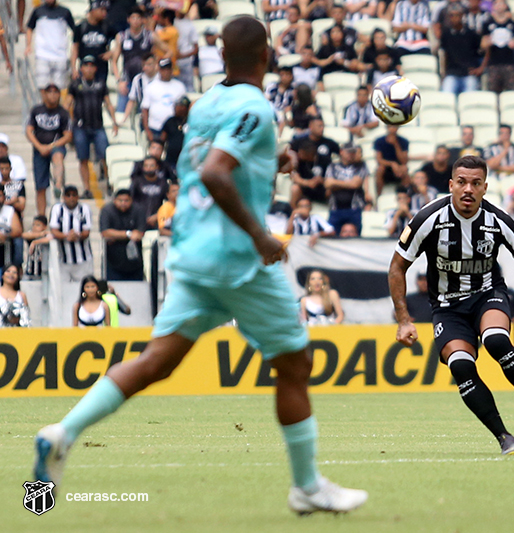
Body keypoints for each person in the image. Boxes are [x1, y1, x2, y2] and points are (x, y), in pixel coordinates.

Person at [33, 17, 367, 514]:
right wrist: (261, 237)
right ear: (267, 57)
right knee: (295, 363)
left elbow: (198, 168)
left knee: (155, 362)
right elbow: (214, 173)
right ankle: (306, 487)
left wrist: (269, 162)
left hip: (191, 257)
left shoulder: (208, 102)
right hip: (237, 261)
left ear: (223, 57)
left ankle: (62, 432)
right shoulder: (256, 104)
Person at [388, 155, 514, 456]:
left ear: (485, 187)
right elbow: (397, 267)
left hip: (487, 295)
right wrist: (404, 319)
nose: (468, 189)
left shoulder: (497, 220)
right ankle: (503, 436)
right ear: (450, 185)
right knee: (461, 364)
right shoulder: (428, 219)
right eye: (461, 182)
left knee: (497, 341)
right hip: (447, 307)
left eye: (475, 183)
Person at [66, 55, 119, 199]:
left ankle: (110, 183)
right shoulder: (75, 85)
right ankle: (87, 188)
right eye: (86, 65)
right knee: (83, 159)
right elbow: (67, 104)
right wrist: (68, 125)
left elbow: (108, 103)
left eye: (91, 66)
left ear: (95, 68)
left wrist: (114, 121)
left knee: (105, 156)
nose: (89, 69)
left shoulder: (100, 84)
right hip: (80, 126)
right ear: (81, 68)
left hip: (97, 126)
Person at [111, 6, 159, 113]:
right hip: (127, 80)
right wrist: (119, 81)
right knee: (121, 111)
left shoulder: (150, 36)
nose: (136, 21)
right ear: (128, 19)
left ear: (142, 20)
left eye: (138, 18)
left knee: (143, 112)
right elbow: (114, 60)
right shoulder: (122, 36)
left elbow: (166, 51)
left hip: (145, 80)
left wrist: (156, 66)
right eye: (133, 18)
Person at [26, 0, 76, 95]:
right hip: (42, 55)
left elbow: (74, 29)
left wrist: (74, 46)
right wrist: (28, 45)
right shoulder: (38, 11)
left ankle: (56, 108)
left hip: (60, 55)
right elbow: (29, 28)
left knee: (59, 86)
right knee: (42, 85)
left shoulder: (65, 12)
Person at [50, 185, 94, 283]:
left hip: (84, 259)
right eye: (68, 195)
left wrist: (77, 236)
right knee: (63, 290)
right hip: (63, 260)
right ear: (63, 197)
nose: (71, 198)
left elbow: (86, 232)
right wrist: (66, 236)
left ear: (78, 197)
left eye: (74, 195)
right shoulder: (57, 209)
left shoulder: (85, 208)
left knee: (85, 287)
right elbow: (54, 230)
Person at [99, 189, 146, 281]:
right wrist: (128, 234)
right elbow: (105, 233)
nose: (123, 203)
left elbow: (139, 234)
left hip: (135, 262)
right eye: (120, 200)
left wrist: (115, 235)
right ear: (114, 200)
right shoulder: (107, 210)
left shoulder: (138, 210)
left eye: (126, 200)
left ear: (131, 200)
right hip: (112, 261)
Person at [440, 5, 483, 96]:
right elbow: (444, 54)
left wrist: (480, 69)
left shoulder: (471, 34)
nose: (454, 18)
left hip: (469, 74)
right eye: (452, 15)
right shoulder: (446, 34)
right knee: (446, 95)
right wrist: (443, 74)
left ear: (462, 16)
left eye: (457, 15)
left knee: (470, 98)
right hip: (452, 73)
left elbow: (482, 52)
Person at [325, 143, 368, 235]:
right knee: (332, 236)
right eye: (349, 152)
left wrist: (335, 183)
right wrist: (348, 183)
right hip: (335, 209)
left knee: (355, 236)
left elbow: (356, 184)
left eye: (353, 152)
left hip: (354, 209)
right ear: (341, 152)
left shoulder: (360, 166)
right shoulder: (332, 166)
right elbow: (328, 184)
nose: (351, 155)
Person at [141, 58, 186, 143]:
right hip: (155, 128)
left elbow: (184, 109)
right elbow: (145, 110)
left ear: (171, 70)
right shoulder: (151, 87)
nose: (166, 72)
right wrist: (148, 131)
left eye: (168, 69)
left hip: (174, 129)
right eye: (163, 69)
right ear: (159, 70)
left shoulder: (180, 86)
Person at [482, 0, 514, 94]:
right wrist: (488, 42)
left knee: (512, 92)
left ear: (505, 6)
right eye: (496, 4)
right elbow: (482, 44)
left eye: (501, 3)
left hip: (509, 63)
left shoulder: (511, 23)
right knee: (493, 93)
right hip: (493, 63)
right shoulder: (488, 23)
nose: (499, 6)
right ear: (493, 6)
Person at [71, 0, 114, 85]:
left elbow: (120, 38)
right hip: (85, 67)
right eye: (101, 10)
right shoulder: (80, 27)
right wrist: (73, 68)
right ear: (93, 10)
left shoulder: (106, 26)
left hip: (101, 67)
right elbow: (75, 48)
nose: (104, 13)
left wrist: (111, 52)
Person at [131, 156, 170, 230]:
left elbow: (170, 202)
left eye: (152, 165)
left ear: (157, 167)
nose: (149, 168)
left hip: (158, 219)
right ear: (142, 167)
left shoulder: (163, 183)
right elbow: (131, 201)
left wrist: (157, 215)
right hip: (139, 219)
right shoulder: (136, 182)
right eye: (146, 166)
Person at [122, 53, 158, 124]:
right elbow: (132, 100)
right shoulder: (138, 79)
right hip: (143, 115)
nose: (145, 68)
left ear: (155, 64)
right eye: (144, 65)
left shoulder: (161, 79)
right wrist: (124, 119)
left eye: (149, 64)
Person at [374, 125, 409, 195]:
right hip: (386, 167)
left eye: (394, 127)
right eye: (390, 127)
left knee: (405, 169)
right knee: (380, 169)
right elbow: (379, 159)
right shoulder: (379, 141)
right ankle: (378, 195)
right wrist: (392, 164)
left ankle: (404, 194)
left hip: (399, 168)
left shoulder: (404, 141)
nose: (392, 129)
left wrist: (396, 144)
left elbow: (404, 161)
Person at [161, 96, 189, 168]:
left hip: (187, 158)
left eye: (179, 106)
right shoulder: (170, 121)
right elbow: (162, 139)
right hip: (171, 159)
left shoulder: (191, 121)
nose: (175, 108)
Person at [0, 188, 22, 266]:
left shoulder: (9, 210)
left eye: (0, 196)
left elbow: (18, 231)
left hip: (5, 245)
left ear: (4, 197)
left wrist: (5, 236)